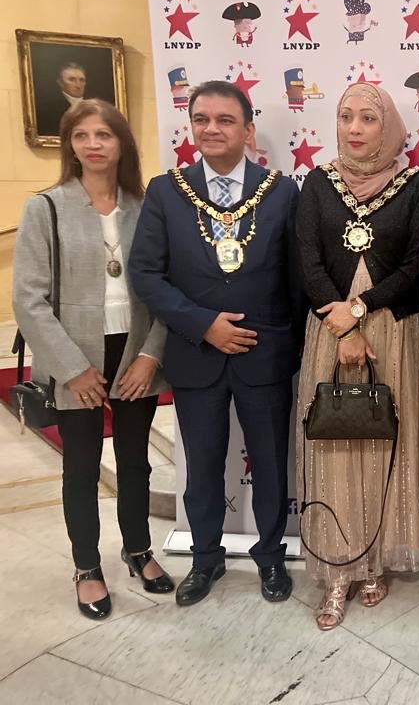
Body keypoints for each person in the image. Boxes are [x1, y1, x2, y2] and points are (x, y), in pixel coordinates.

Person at [129, 81, 303, 608]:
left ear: (248, 130)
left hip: (264, 353)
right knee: (201, 464)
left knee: (272, 463)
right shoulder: (167, 190)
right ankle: (206, 560)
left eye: (225, 120)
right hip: (196, 352)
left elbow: (296, 279)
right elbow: (146, 272)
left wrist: (285, 343)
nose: (211, 128)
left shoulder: (282, 191)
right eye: (201, 118)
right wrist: (203, 324)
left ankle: (271, 558)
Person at [13, 99, 174, 620]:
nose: (93, 144)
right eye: (81, 135)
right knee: (81, 467)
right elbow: (29, 299)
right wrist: (73, 370)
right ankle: (86, 566)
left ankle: (138, 549)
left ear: (122, 142)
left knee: (135, 461)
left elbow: (168, 289)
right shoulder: (47, 207)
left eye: (103, 134)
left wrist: (151, 356)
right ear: (70, 146)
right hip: (74, 355)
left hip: (134, 352)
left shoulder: (146, 206)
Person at [295, 83, 419, 630]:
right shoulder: (317, 183)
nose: (354, 128)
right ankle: (338, 571)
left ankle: (376, 558)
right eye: (345, 117)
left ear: (389, 128)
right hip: (330, 328)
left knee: (386, 443)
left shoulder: (416, 186)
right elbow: (307, 258)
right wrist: (340, 322)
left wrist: (361, 307)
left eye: (367, 118)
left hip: (392, 329)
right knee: (337, 445)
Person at [36, 62, 87, 137]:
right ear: (60, 82)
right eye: (72, 79)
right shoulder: (48, 109)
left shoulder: (96, 106)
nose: (78, 85)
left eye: (82, 80)